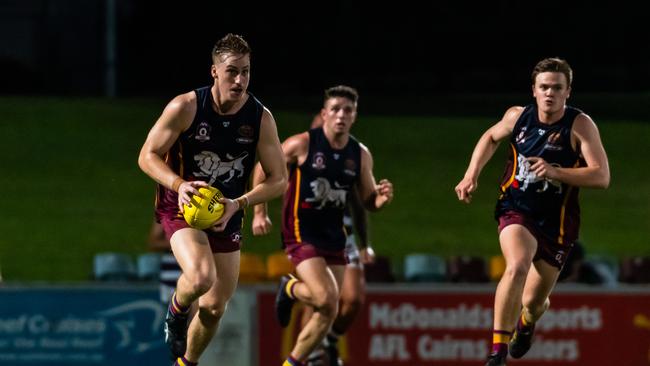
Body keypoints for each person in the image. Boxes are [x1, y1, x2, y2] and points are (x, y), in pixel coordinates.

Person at [138, 33, 287, 366]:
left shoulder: (260, 118)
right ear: (214, 72)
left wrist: (241, 203)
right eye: (232, 71)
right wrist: (178, 184)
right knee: (202, 277)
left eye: (246, 71)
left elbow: (279, 180)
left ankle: (185, 363)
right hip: (182, 205)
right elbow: (146, 156)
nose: (240, 79)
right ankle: (176, 310)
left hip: (227, 209)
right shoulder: (186, 107)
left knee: (216, 306)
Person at [454, 57, 609, 366]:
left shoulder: (580, 125)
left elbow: (601, 176)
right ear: (534, 90)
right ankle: (497, 352)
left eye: (556, 88)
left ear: (568, 92)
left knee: (535, 302)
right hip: (516, 208)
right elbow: (490, 137)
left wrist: (556, 172)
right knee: (516, 266)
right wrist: (471, 173)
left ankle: (526, 322)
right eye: (544, 87)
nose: (549, 93)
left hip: (557, 222)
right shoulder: (517, 117)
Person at [252, 85, 393, 366]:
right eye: (336, 109)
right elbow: (262, 168)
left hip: (335, 236)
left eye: (348, 110)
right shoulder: (302, 144)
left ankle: (293, 362)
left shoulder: (360, 154)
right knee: (326, 298)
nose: (341, 115)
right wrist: (259, 212)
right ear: (324, 114)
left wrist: (381, 199)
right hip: (301, 231)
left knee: (329, 309)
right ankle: (290, 288)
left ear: (354, 116)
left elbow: (366, 200)